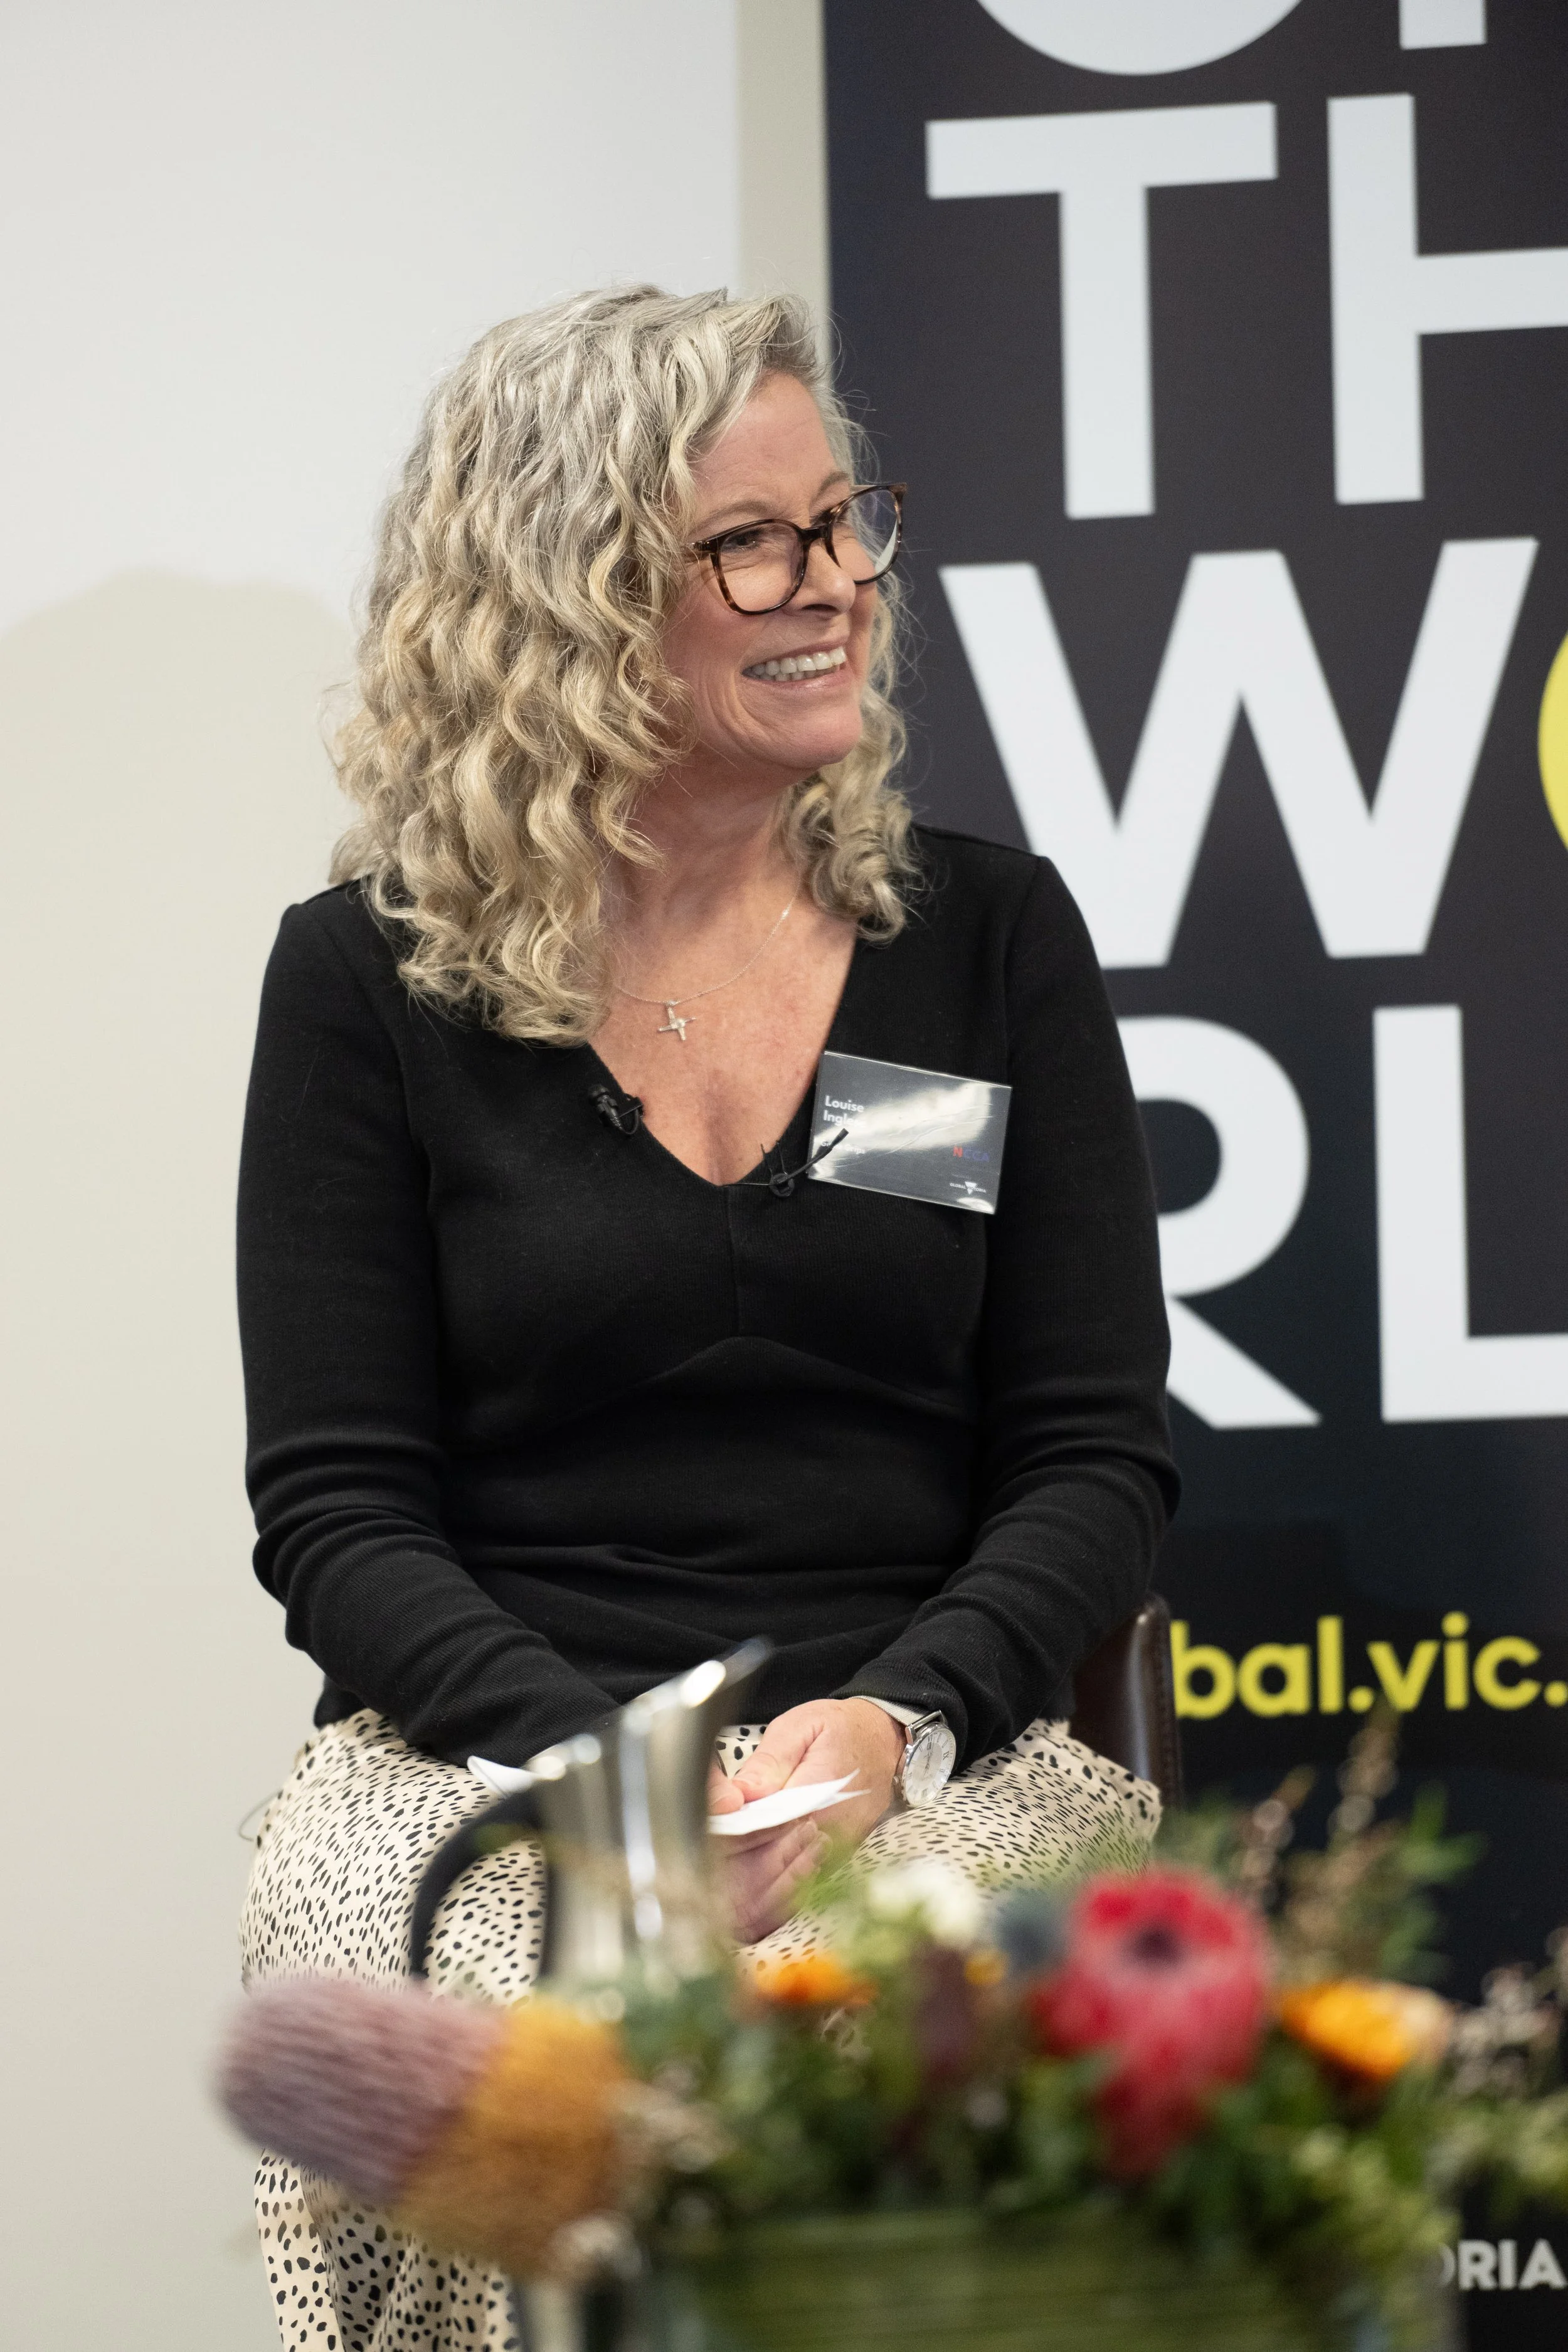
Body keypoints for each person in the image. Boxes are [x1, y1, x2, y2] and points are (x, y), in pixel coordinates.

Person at [236, 285, 1177, 2349]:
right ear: (558, 600)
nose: (832, 583)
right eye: (751, 541)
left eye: (843, 523)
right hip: (498, 1755)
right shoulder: (366, 988)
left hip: (922, 1746)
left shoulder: (988, 940)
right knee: (494, 2035)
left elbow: (1094, 1446)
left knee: (893, 2023)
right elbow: (336, 1507)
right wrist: (618, 1785)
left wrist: (898, 1725)